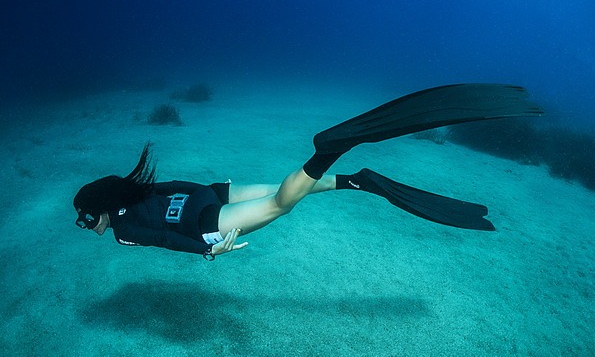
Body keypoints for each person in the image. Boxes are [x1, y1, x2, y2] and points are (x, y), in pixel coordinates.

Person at [73, 84, 544, 260]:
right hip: (205, 197)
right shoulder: (135, 192)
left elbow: (164, 241)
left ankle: (331, 149)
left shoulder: (123, 230)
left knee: (283, 203)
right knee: (293, 190)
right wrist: (217, 192)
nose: (86, 227)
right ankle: (360, 180)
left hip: (201, 221)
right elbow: (175, 186)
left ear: (97, 212)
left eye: (83, 219)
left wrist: (206, 247)